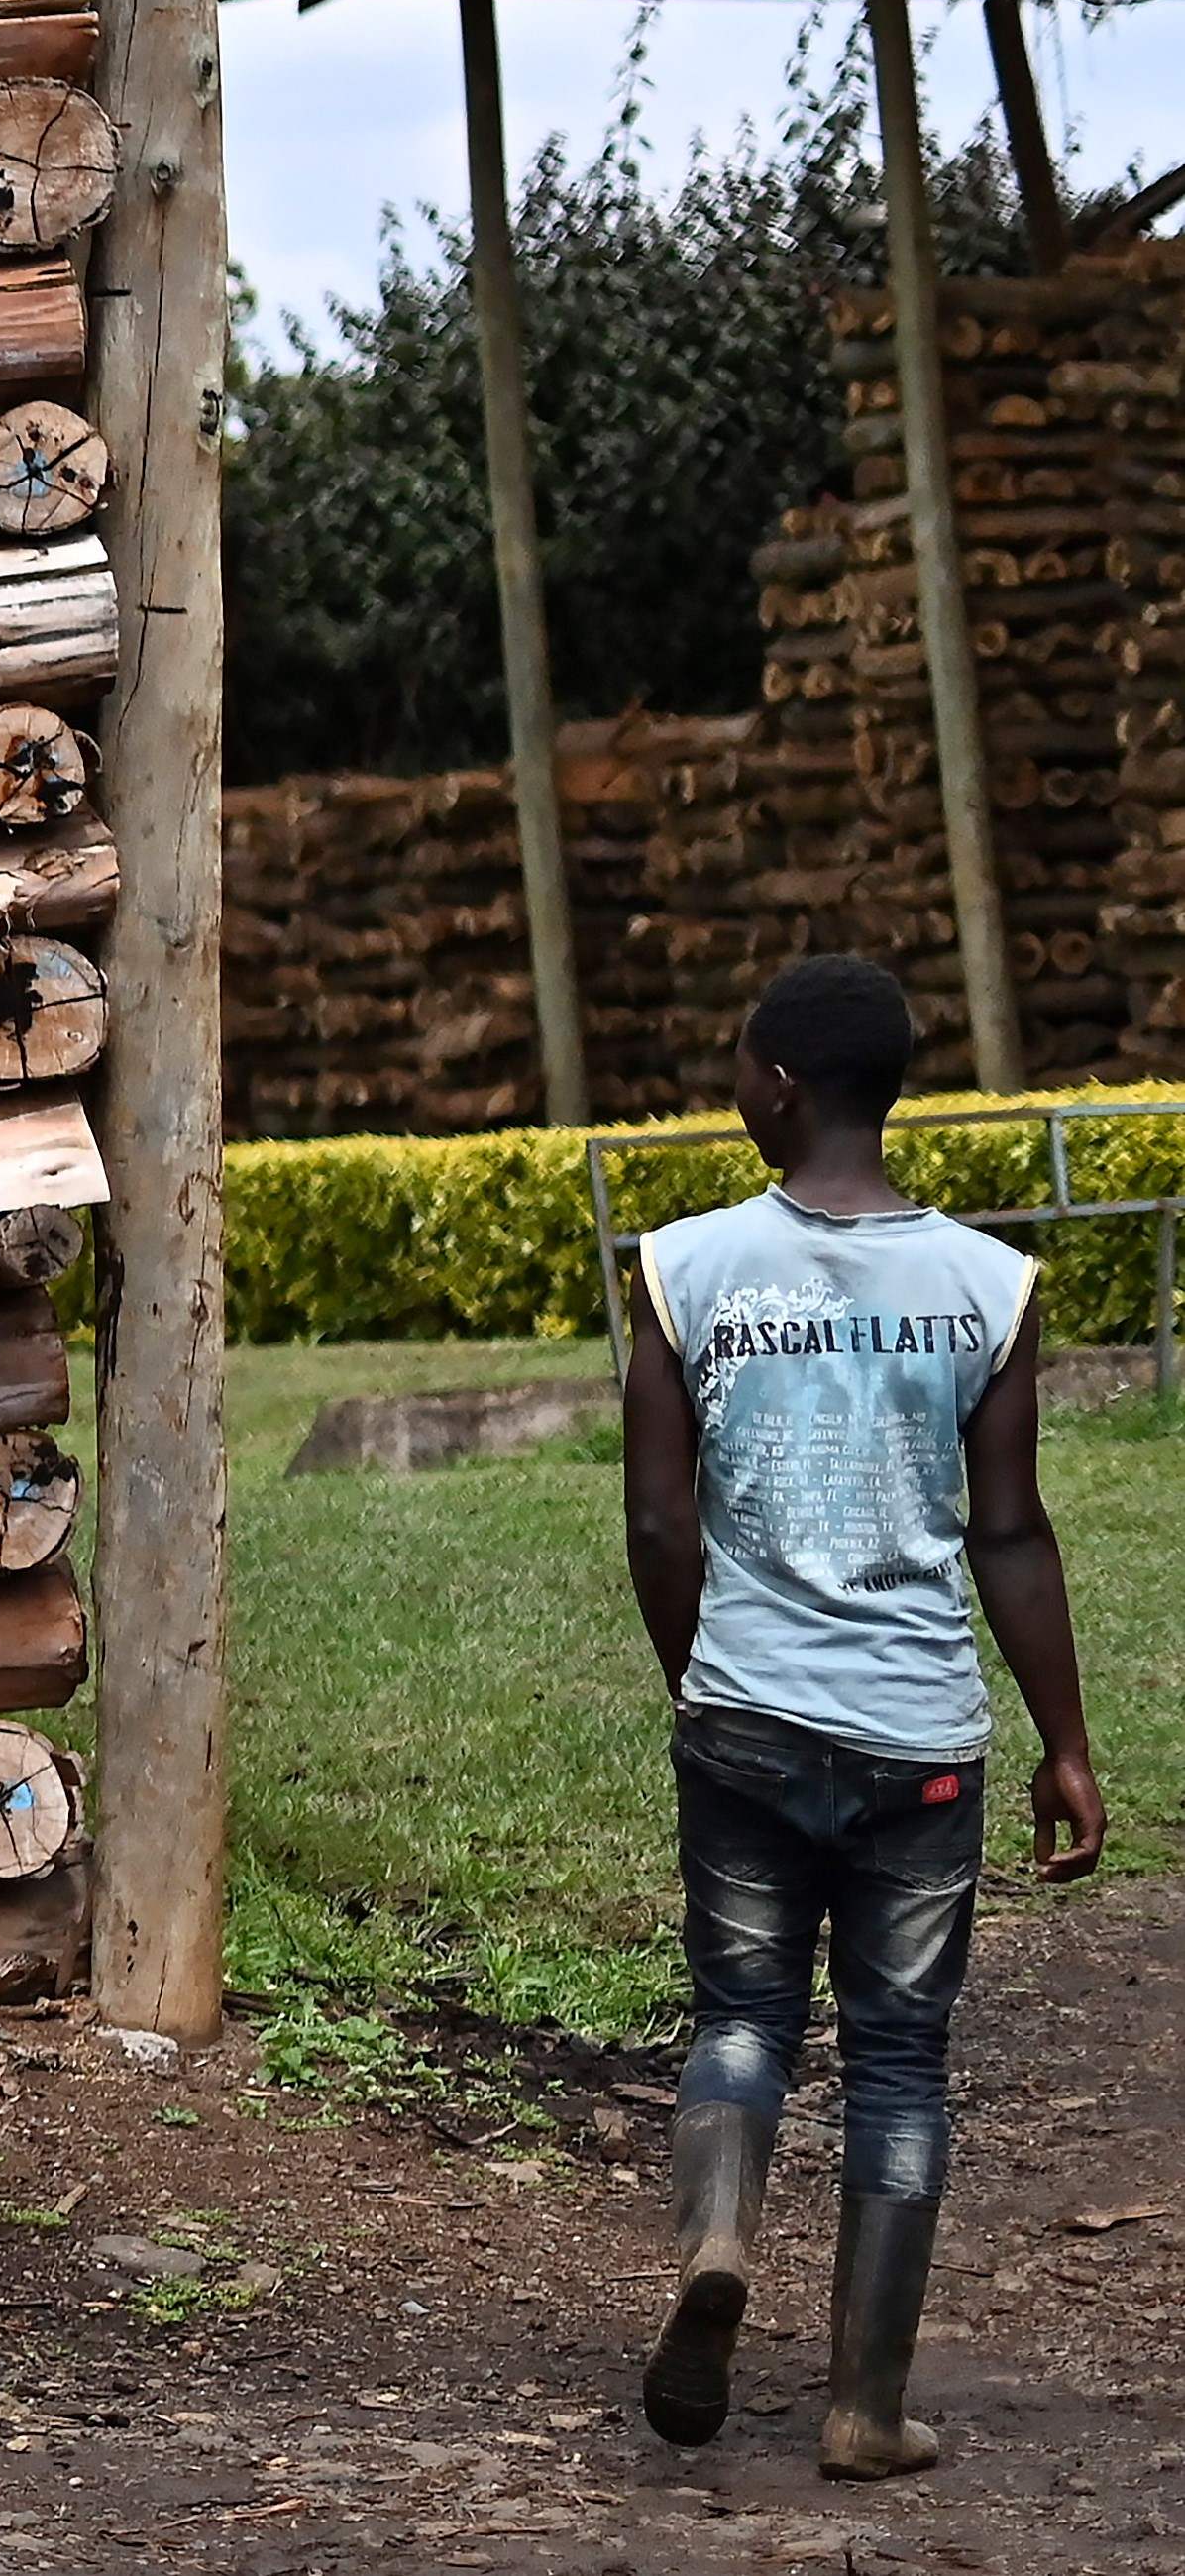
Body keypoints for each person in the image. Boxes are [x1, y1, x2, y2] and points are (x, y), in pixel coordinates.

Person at [620, 953, 1105, 2474]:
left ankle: (716, 2238)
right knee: (898, 2059)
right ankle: (864, 2407)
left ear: (777, 1082)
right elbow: (1011, 1531)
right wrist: (1066, 1742)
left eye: (739, 1064)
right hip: (923, 1742)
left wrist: (704, 1674)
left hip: (748, 1719)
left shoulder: (686, 1267)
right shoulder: (984, 1283)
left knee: (745, 2015)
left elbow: (656, 1520)